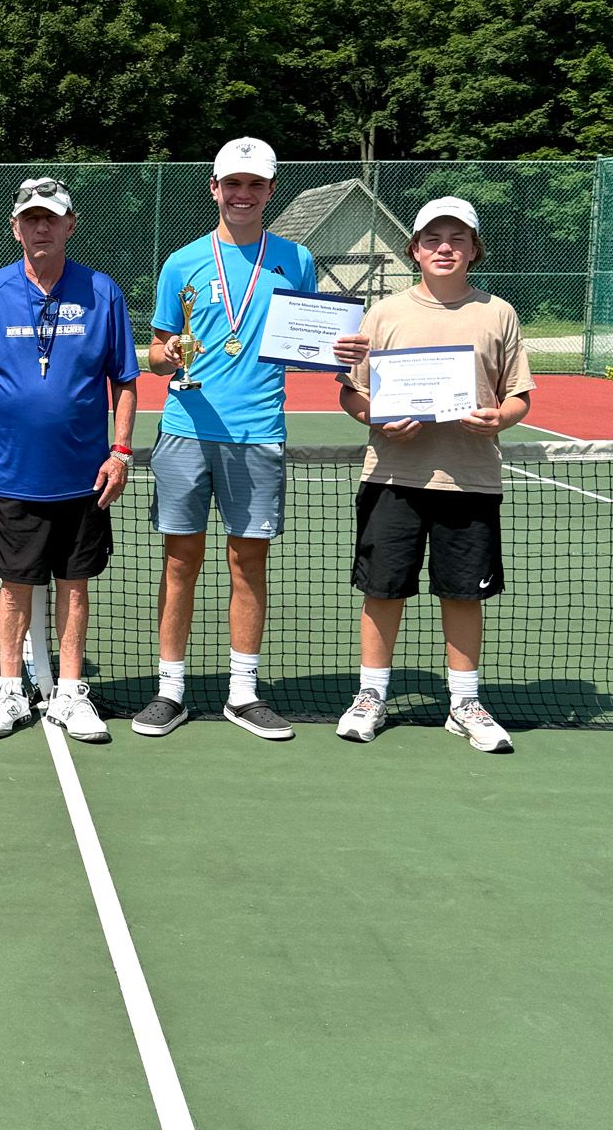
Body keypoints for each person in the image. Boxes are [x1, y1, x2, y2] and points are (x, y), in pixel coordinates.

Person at [132, 137, 367, 742]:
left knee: (248, 563)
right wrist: (168, 355)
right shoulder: (181, 263)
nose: (242, 194)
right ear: (214, 188)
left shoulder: (295, 259)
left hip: (259, 433)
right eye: (231, 184)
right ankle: (170, 690)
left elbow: (313, 344)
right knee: (179, 563)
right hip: (186, 431)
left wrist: (339, 353)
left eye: (254, 185)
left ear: (268, 192)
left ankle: (242, 692)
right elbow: (158, 353)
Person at [335, 198, 533, 752]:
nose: (444, 247)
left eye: (457, 238)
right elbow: (352, 393)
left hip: (470, 480)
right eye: (432, 238)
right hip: (393, 475)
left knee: (463, 594)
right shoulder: (382, 313)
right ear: (414, 249)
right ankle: (371, 696)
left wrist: (499, 418)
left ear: (474, 249)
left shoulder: (499, 312)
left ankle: (464, 704)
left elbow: (518, 398)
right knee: (382, 590)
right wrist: (375, 416)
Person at [0, 175, 138, 742]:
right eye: (30, 218)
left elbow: (125, 381)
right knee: (14, 588)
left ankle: (71, 692)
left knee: (74, 586)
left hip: (85, 476)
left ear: (69, 225)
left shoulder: (103, 292)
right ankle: (11, 689)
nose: (41, 227)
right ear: (15, 228)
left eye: (51, 218)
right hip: (12, 475)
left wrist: (121, 452)